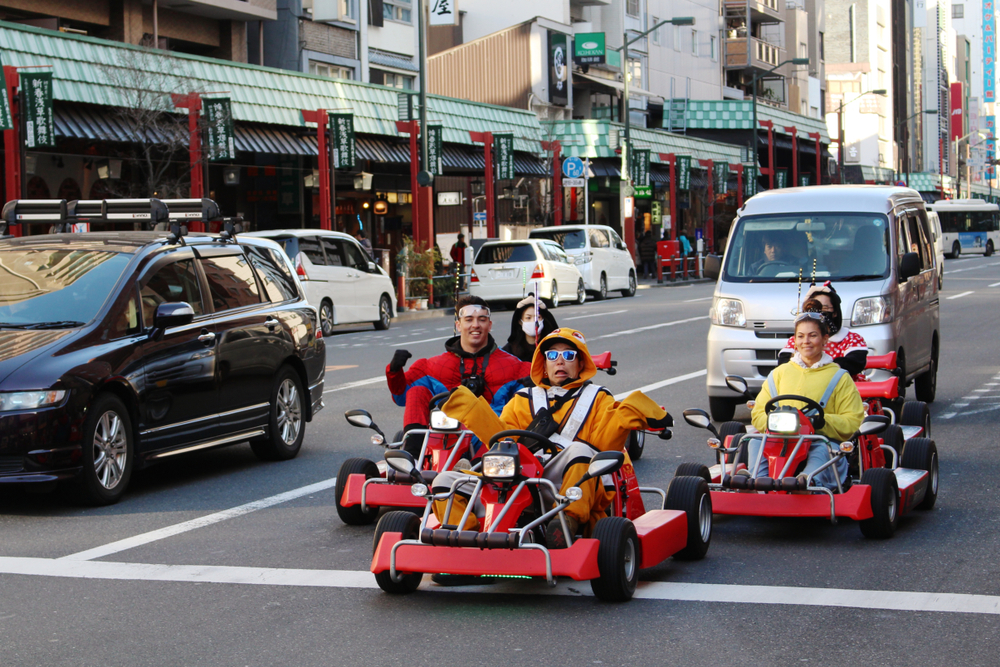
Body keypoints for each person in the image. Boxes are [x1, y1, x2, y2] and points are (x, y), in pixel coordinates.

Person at [432, 327, 672, 547]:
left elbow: (610, 436)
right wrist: (468, 408)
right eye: (552, 356)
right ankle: (460, 540)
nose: (560, 362)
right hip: (520, 480)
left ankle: (565, 525)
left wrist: (648, 413)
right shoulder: (523, 398)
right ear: (542, 364)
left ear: (580, 363)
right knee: (444, 481)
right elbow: (501, 439)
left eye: (568, 356)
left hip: (572, 485)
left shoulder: (599, 397)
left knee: (581, 451)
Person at [385, 296, 529, 455]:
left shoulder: (514, 366)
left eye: (481, 319)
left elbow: (542, 391)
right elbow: (401, 396)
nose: (475, 325)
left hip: (491, 441)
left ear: (489, 325)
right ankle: (411, 457)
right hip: (445, 435)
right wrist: (394, 371)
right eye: (469, 319)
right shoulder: (433, 365)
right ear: (458, 325)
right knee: (417, 391)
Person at [748, 311, 865, 490]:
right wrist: (775, 422)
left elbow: (852, 420)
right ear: (794, 340)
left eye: (813, 336)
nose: (806, 342)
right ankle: (756, 480)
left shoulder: (839, 376)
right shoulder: (779, 373)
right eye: (800, 336)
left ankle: (807, 481)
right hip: (780, 439)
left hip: (819, 438)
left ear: (825, 339)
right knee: (756, 441)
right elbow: (758, 412)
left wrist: (816, 422)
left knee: (821, 448)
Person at [777, 282, 868, 377]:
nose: (806, 341)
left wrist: (828, 369)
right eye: (813, 309)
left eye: (824, 308)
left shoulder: (850, 339)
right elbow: (784, 362)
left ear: (835, 312)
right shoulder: (798, 340)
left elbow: (855, 361)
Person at [501, 294, 559, 363]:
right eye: (528, 318)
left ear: (543, 319)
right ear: (520, 321)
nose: (534, 322)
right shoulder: (510, 350)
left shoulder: (553, 345)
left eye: (538, 317)